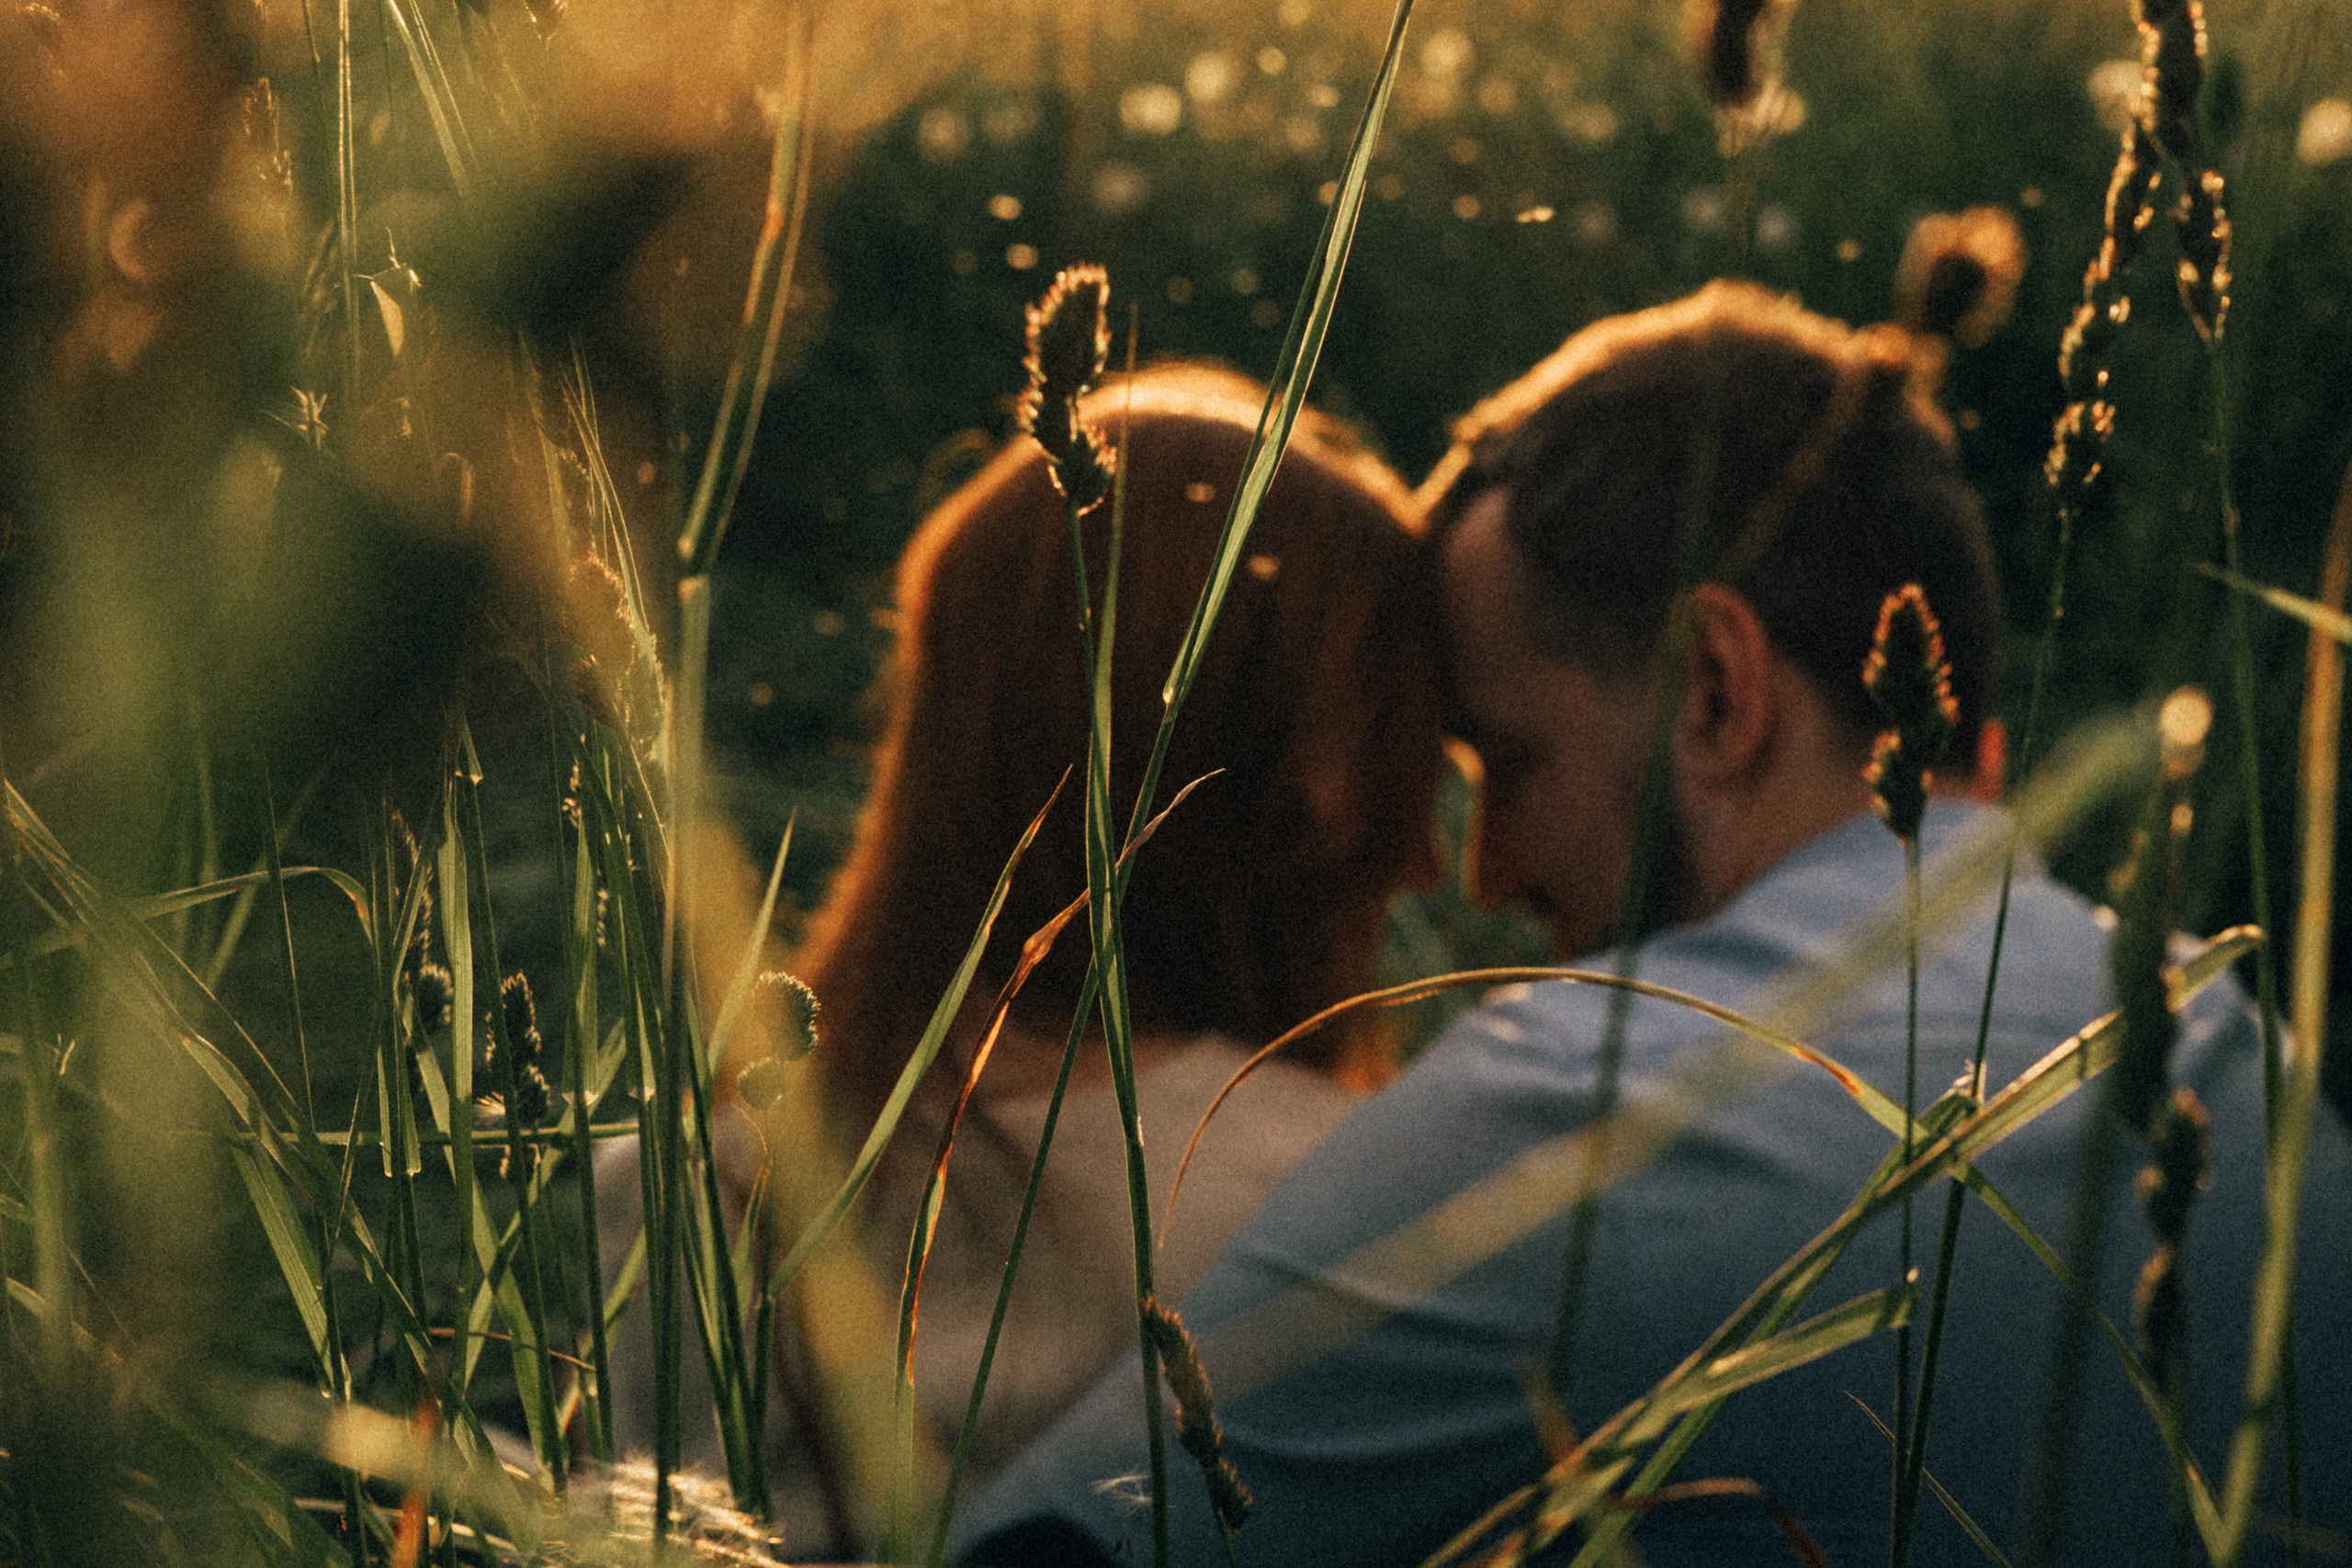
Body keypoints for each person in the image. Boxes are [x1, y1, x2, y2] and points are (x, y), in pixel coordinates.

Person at [956, 282, 2352, 1564]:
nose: (1483, 870)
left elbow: (1041, 1554)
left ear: (1714, 689)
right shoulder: (2252, 1071)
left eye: (1505, 762)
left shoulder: (1579, 1107)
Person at [597, 361, 1445, 1556]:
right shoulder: (1339, 1196)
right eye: (1397, 752)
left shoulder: (674, 1188)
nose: (1427, 862)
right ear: (1215, 759)